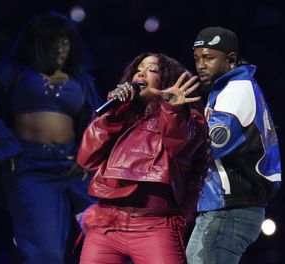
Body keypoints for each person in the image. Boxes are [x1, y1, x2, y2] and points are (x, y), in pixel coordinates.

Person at [0, 11, 102, 264]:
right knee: (44, 253)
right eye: (53, 42)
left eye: (65, 42)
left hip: (72, 167)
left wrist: (85, 158)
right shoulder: (11, 73)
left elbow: (94, 123)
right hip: (30, 166)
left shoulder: (80, 80)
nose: (60, 49)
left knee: (106, 234)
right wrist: (7, 152)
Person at [76, 52, 210, 264]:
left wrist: (173, 110)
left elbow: (179, 145)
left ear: (167, 80)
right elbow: (87, 159)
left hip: (154, 226)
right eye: (138, 70)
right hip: (107, 225)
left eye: (152, 70)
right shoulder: (120, 117)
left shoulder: (188, 119)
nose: (141, 73)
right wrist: (113, 113)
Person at [185, 26, 282, 264]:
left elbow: (208, 146)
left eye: (208, 58)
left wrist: (175, 115)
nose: (200, 65)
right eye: (197, 59)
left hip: (231, 207)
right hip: (226, 206)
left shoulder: (236, 90)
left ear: (230, 59)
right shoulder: (231, 88)